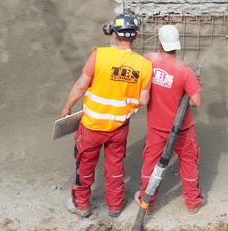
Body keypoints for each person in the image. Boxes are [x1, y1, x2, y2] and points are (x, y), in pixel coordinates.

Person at [60, 13, 152, 218]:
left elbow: (81, 85)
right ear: (134, 37)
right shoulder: (144, 65)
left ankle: (81, 205)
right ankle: (116, 205)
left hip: (92, 125)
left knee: (85, 164)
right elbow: (144, 101)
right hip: (118, 127)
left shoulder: (99, 55)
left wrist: (67, 108)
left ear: (113, 34)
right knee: (115, 165)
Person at [136, 24, 206, 215]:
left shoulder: (149, 60)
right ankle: (193, 202)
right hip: (182, 129)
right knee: (188, 162)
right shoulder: (184, 71)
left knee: (150, 162)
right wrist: (184, 92)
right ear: (177, 44)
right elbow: (196, 102)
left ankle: (147, 202)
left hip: (156, 128)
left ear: (160, 43)